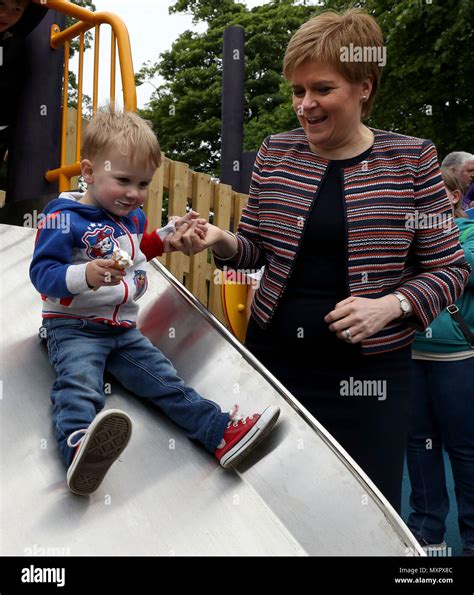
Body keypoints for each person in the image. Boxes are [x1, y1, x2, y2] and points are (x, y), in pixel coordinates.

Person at [169, 8, 471, 513]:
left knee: (358, 513)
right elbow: (257, 250)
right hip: (276, 362)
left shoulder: (412, 161)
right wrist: (217, 238)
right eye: (297, 91)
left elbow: (451, 269)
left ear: (364, 87)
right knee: (268, 506)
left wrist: (391, 305)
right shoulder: (276, 152)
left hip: (370, 377)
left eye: (322, 89)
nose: (305, 105)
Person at [29, 110, 280, 496]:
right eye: (123, 180)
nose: (133, 192)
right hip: (74, 328)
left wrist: (166, 235)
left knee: (167, 382)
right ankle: (78, 446)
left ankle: (220, 434)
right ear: (89, 171)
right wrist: (85, 276)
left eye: (143, 183)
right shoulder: (64, 217)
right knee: (79, 382)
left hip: (124, 333)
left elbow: (137, 251)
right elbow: (42, 273)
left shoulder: (129, 218)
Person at [406, 168, 474, 557]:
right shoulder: (410, 234)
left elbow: (467, 271)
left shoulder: (470, 232)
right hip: (410, 352)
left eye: (434, 192)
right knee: (418, 444)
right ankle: (427, 532)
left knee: (466, 448)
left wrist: (427, 245)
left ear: (451, 197)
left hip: (457, 357)